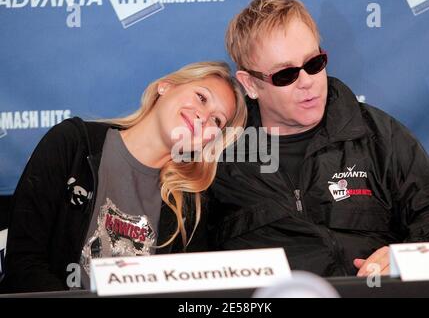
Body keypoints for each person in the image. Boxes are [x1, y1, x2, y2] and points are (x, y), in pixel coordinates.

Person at [207, 0, 429, 277]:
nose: (307, 81)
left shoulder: (381, 137)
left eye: (314, 63)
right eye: (286, 75)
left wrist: (406, 258)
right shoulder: (220, 156)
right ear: (250, 84)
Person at [4, 61, 247, 292]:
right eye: (201, 97)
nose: (203, 118)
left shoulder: (191, 204)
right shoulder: (73, 144)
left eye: (217, 120)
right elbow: (23, 263)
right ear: (166, 86)